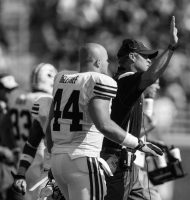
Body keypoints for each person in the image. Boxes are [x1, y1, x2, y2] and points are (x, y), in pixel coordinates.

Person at [46, 43, 163, 200]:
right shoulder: (100, 80)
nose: (109, 64)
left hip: (58, 157)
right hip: (83, 158)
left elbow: (50, 125)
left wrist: (52, 154)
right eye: (106, 60)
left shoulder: (62, 78)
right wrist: (139, 144)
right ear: (98, 62)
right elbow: (104, 125)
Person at [100, 16, 178, 200]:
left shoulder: (126, 82)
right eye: (146, 56)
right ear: (133, 57)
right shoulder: (125, 80)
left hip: (129, 162)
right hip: (118, 160)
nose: (150, 60)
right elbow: (150, 77)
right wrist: (171, 47)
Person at [5, 63, 57, 200]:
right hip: (39, 158)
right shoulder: (45, 101)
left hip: (23, 159)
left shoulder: (16, 97)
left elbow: (7, 125)